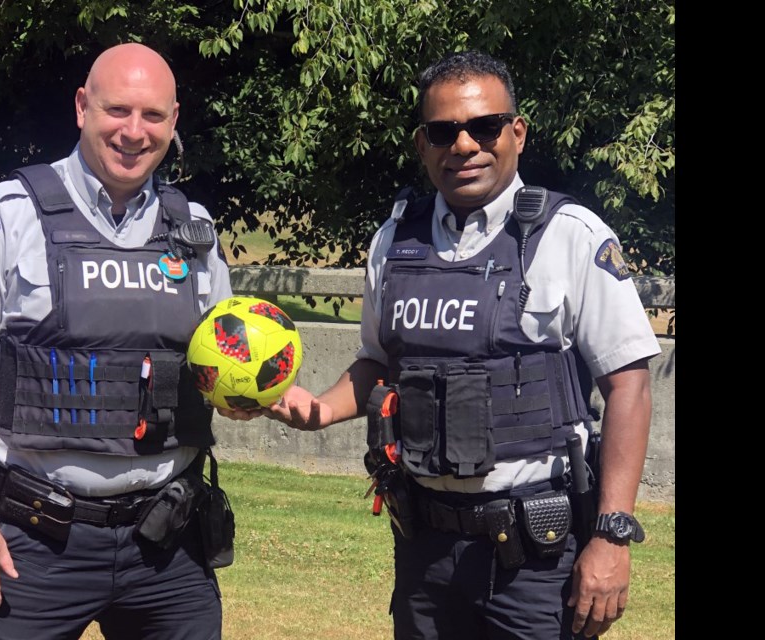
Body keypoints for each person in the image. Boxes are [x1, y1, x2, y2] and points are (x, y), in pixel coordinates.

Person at [242, 50, 660, 639]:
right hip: (425, 548)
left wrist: (612, 536)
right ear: (422, 145)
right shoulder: (394, 240)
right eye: (444, 131)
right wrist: (315, 410)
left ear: (516, 133)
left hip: (534, 559)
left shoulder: (569, 237)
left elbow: (629, 387)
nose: (464, 145)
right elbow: (376, 363)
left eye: (484, 126)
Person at [0, 43, 233, 640]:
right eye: (117, 111)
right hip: (35, 538)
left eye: (153, 116)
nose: (133, 132)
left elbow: (218, 365)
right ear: (81, 107)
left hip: (167, 544)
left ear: (174, 121)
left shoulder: (193, 231)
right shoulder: (3, 219)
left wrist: (256, 394)